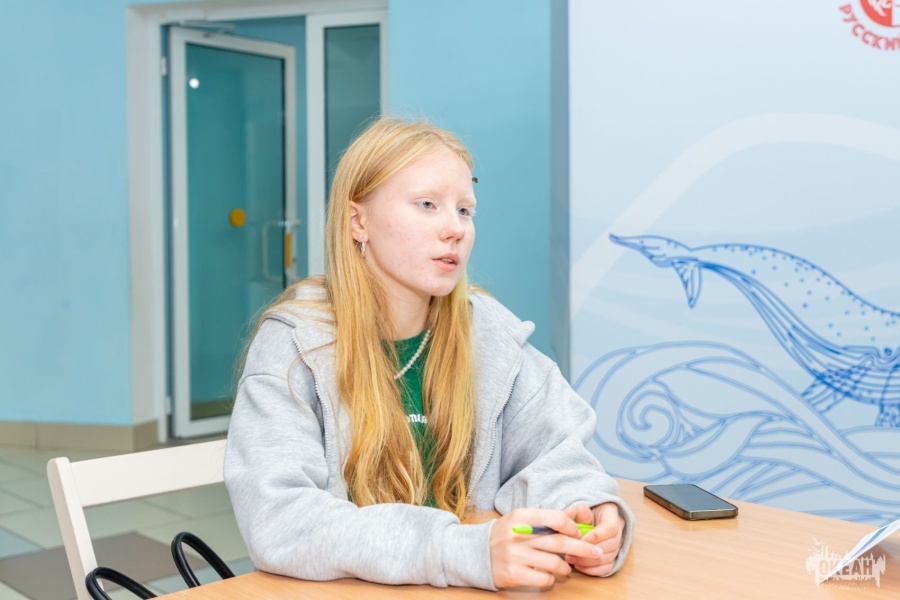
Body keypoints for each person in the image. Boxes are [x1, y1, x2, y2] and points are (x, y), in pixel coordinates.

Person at [224, 117, 634, 591]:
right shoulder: (295, 344)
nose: (455, 229)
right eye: (427, 205)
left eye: (465, 210)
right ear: (358, 221)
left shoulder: (490, 333)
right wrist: (460, 551)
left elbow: (557, 451)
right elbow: (279, 518)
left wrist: (590, 510)